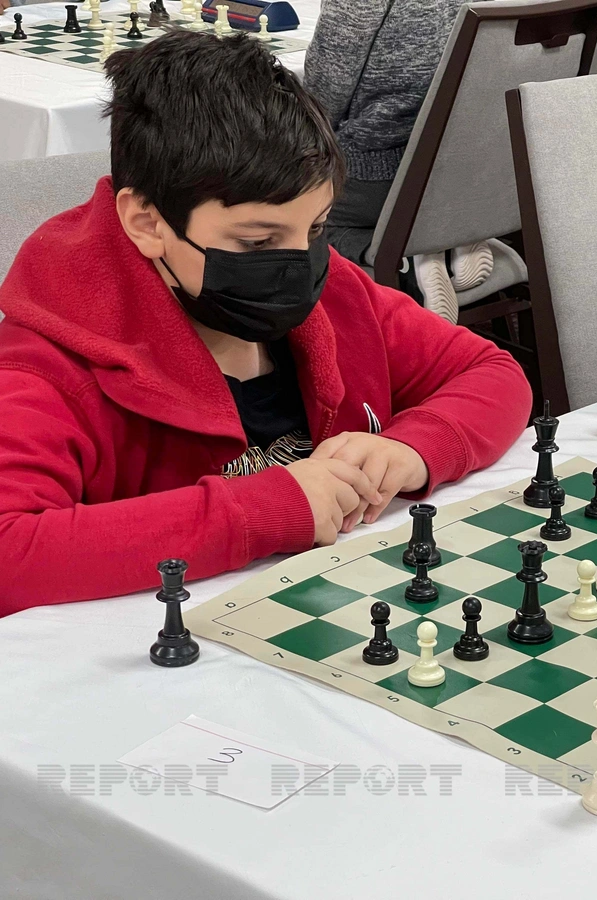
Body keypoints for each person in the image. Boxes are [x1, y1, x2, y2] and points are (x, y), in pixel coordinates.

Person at [0, 31, 532, 615]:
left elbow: (492, 372)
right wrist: (262, 510)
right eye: (257, 243)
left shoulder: (336, 292)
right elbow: (9, 549)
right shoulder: (47, 366)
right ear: (147, 223)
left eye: (316, 228)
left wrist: (411, 448)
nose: (298, 263)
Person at [304, 0, 467, 266]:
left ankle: (406, 262)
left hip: (376, 175)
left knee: (277, 208)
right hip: (452, 175)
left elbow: (329, 87)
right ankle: (448, 245)